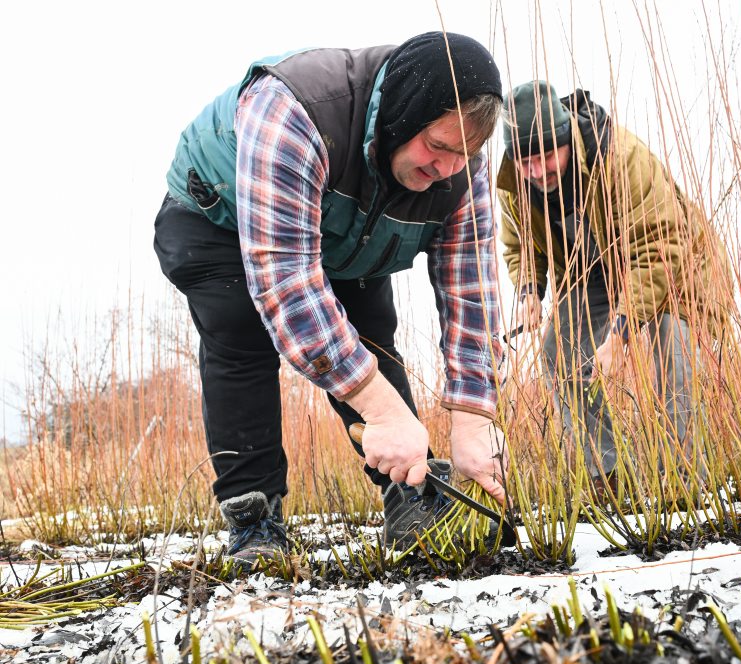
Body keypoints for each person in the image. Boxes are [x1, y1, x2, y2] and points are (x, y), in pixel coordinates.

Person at [154, 33, 508, 567]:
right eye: (437, 147)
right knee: (241, 333)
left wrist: (473, 417)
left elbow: (471, 291)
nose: (448, 168)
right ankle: (256, 519)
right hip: (220, 218)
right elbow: (288, 284)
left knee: (369, 334)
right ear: (400, 118)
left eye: (464, 153)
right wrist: (381, 411)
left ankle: (411, 497)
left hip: (345, 230)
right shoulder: (294, 110)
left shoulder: (464, 170)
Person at [497, 81, 730, 484]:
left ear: (567, 138)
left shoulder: (621, 157)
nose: (538, 171)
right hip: (593, 273)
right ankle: (610, 475)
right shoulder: (515, 185)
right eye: (526, 162)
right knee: (559, 356)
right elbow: (519, 243)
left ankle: (686, 484)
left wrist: (620, 333)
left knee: (670, 356)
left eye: (548, 156)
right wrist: (530, 289)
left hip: (669, 264)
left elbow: (659, 247)